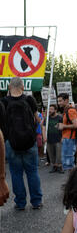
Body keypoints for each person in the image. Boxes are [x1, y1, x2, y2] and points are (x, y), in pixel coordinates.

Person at [1, 78, 43, 210]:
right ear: (23, 87)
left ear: (9, 87)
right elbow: (38, 119)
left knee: (16, 173)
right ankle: (36, 202)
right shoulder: (29, 100)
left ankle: (20, 203)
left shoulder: (3, 102)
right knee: (32, 171)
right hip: (30, 142)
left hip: (11, 143)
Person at [57, 93, 77, 172]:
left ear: (66, 100)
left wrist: (63, 126)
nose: (59, 103)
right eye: (58, 101)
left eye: (60, 101)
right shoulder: (67, 111)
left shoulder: (71, 111)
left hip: (70, 139)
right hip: (67, 138)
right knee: (68, 163)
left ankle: (73, 182)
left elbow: (76, 125)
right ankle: (72, 182)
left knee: (69, 163)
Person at [42, 104, 63, 173]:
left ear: (55, 110)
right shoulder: (47, 118)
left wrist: (62, 137)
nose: (49, 111)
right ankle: (54, 166)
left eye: (51, 109)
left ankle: (59, 167)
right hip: (49, 139)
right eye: (49, 109)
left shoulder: (60, 117)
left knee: (58, 154)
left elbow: (62, 128)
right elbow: (43, 127)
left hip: (58, 139)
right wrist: (44, 137)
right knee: (51, 154)